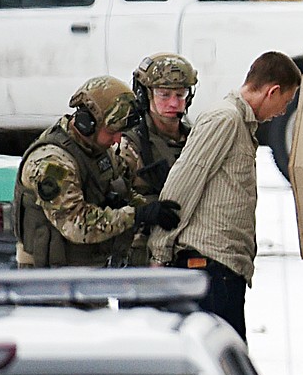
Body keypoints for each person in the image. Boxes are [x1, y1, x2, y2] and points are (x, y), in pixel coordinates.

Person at [148, 51, 300, 341]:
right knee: (219, 359)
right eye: (288, 101)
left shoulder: (242, 125)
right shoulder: (225, 119)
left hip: (225, 268)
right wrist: (160, 251)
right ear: (273, 91)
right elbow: (184, 182)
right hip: (209, 266)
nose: (284, 111)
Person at [13, 75, 181, 268]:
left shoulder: (99, 151)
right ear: (88, 124)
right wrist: (136, 215)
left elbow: (121, 187)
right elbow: (76, 224)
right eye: (112, 132)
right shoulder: (52, 164)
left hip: (88, 270)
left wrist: (151, 208)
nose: (118, 140)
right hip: (50, 280)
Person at [118, 53, 198, 265]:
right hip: (142, 254)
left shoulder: (195, 139)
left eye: (180, 95)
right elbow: (113, 200)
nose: (173, 103)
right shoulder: (130, 143)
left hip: (188, 248)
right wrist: (146, 210)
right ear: (146, 95)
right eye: (164, 95)